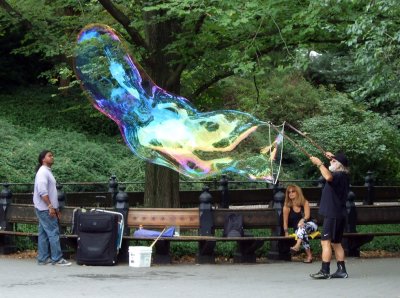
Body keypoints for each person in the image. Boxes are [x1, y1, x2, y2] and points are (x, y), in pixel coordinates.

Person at [309, 151, 350, 279]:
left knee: (325, 242)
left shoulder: (337, 175)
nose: (330, 162)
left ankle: (325, 271)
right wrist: (332, 157)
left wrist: (319, 163)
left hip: (333, 214)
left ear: (339, 165)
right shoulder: (343, 175)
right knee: (336, 243)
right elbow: (332, 169)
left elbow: (328, 177)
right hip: (339, 213)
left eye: (333, 161)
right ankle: (341, 271)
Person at [33, 150, 71, 266]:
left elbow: (49, 191)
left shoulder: (46, 171)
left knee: (44, 233)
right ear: (43, 159)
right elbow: (42, 191)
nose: (52, 157)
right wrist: (50, 206)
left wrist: (55, 207)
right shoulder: (43, 172)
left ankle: (43, 258)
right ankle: (57, 259)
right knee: (53, 232)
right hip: (45, 208)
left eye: (52, 155)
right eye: (49, 156)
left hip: (44, 207)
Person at [283, 184, 317, 263]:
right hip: (298, 230)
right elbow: (285, 222)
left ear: (298, 192)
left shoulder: (304, 202)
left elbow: (307, 216)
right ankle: (309, 256)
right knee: (302, 232)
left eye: (293, 191)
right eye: (289, 192)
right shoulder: (287, 207)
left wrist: (302, 220)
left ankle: (297, 246)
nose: (291, 193)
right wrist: (286, 233)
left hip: (310, 225)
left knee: (302, 228)